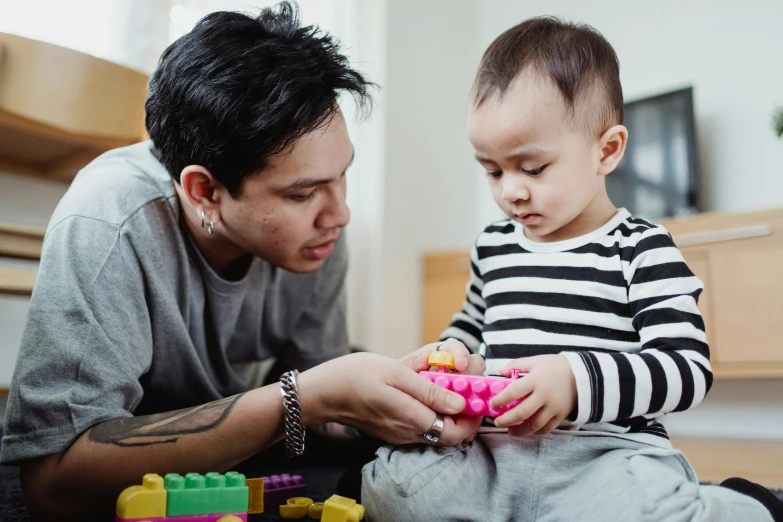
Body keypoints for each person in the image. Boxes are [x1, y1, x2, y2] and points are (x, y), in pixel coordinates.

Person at [0, 4, 483, 520]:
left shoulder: (319, 234)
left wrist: (389, 399)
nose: (339, 214)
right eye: (303, 194)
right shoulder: (109, 225)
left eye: (341, 175)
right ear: (204, 190)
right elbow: (51, 484)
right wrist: (305, 397)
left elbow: (322, 409)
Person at [362, 17, 783, 522]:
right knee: (394, 491)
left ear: (606, 150)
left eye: (532, 168)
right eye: (492, 170)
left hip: (605, 455)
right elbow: (471, 326)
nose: (510, 191)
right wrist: (452, 353)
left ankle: (746, 504)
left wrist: (577, 381)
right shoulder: (495, 245)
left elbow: (686, 368)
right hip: (493, 453)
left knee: (652, 510)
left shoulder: (642, 248)